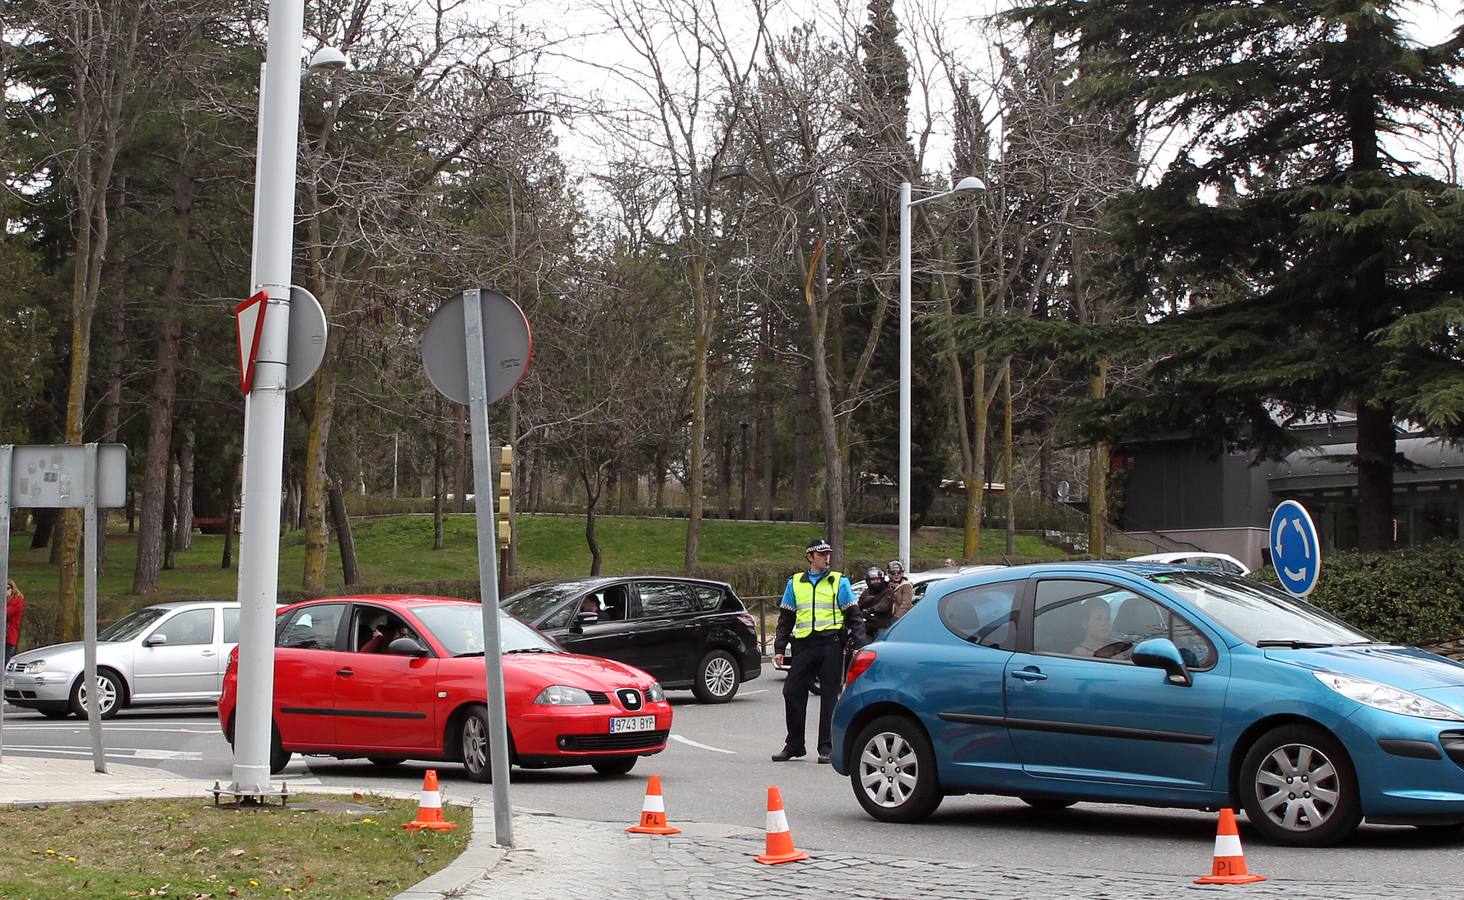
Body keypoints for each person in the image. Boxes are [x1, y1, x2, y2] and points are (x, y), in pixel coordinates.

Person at [772, 538, 866, 764]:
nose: (826, 557)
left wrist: (858, 645)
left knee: (829, 696)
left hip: (830, 644)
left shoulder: (838, 581)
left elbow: (854, 616)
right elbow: (786, 619)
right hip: (803, 645)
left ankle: (827, 747)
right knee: (791, 691)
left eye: (828, 554)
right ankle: (795, 745)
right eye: (822, 554)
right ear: (810, 557)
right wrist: (779, 647)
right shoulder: (795, 583)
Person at [857, 567, 895, 639]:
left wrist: (871, 609)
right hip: (867, 624)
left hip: (882, 624)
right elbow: (858, 606)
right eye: (873, 580)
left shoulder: (888, 591)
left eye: (878, 579)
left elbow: (884, 605)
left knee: (881, 640)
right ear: (868, 581)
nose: (876, 581)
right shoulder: (866, 592)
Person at [4, 579, 23, 662]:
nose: (4, 590)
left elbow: (5, 614)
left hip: (8, 636)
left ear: (12, 589)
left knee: (5, 659)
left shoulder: (16, 602)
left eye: (7, 588)